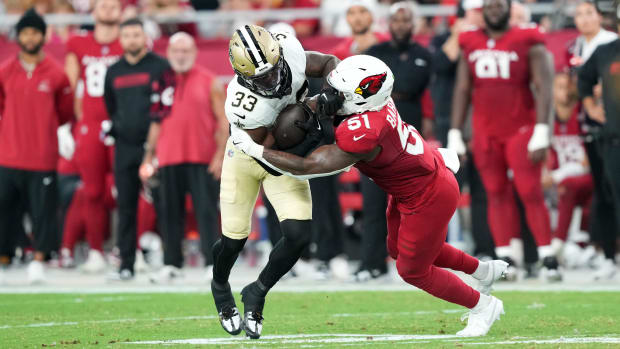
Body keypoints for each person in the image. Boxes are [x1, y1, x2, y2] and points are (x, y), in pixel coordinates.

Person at [230, 55, 509, 337]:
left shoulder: (364, 131)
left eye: (339, 93)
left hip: (427, 195)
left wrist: (255, 150)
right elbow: (332, 92)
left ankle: (483, 306)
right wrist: (309, 105)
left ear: (358, 99)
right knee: (400, 249)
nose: (331, 95)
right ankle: (482, 271)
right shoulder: (376, 100)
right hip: (414, 185)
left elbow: (309, 168)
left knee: (412, 270)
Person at [212, 24, 340, 339]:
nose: (272, 80)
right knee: (234, 240)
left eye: (273, 71)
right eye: (261, 78)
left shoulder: (291, 52)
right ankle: (219, 285)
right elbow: (270, 150)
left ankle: (257, 291)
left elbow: (328, 62)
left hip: (278, 156)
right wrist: (307, 128)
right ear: (243, 77)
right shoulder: (242, 103)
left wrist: (330, 92)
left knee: (298, 236)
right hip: (249, 158)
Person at [447, 0, 561, 280]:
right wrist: (455, 131)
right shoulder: (470, 41)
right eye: (490, 5)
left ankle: (547, 256)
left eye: (500, 4)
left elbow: (545, 86)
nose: (494, 9)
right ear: (483, 11)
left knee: (529, 190)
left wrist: (542, 129)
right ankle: (505, 254)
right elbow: (462, 88)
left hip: (520, 127)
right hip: (485, 129)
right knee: (495, 192)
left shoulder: (527, 38)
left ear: (510, 8)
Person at [352, 1, 433, 282]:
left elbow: (412, 85)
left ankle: (418, 262)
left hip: (409, 135)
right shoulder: (375, 53)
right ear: (389, 24)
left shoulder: (424, 54)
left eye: (406, 20)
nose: (401, 25)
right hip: (378, 134)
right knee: (373, 202)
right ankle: (370, 262)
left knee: (413, 203)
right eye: (396, 21)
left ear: (414, 24)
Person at [140, 32, 229, 283]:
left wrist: (220, 155)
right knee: (169, 213)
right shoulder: (161, 83)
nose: (181, 56)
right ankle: (172, 264)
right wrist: (149, 156)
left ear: (194, 52)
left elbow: (223, 121)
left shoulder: (210, 81)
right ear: (168, 53)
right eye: (176, 51)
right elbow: (156, 123)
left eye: (185, 51)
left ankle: (212, 264)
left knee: (207, 212)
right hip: (168, 158)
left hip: (202, 157)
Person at [0, 8, 74, 284]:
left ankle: (39, 262)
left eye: (35, 32)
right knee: (5, 211)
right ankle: (4, 260)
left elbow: (65, 113)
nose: (30, 37)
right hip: (7, 156)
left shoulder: (56, 74)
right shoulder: (5, 71)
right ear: (18, 36)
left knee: (43, 213)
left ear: (43, 36)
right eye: (25, 32)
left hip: (42, 157)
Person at [103, 18, 171, 280]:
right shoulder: (114, 71)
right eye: (127, 35)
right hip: (125, 147)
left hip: (157, 147)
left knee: (165, 204)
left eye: (136, 34)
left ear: (145, 37)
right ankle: (127, 264)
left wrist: (153, 146)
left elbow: (166, 107)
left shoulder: (160, 66)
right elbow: (110, 106)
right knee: (126, 205)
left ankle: (170, 261)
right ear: (120, 40)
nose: (132, 39)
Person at [63, 0, 123, 273]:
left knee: (128, 189)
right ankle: (96, 251)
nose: (108, 10)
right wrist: (71, 125)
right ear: (94, 11)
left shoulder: (129, 41)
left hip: (122, 124)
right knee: (93, 190)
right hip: (91, 124)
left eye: (113, 5)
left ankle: (127, 249)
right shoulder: (78, 43)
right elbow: (70, 87)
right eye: (103, 5)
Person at [569, 0, 618, 280]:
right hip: (599, 130)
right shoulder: (585, 48)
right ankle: (607, 253)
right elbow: (581, 83)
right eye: (579, 13)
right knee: (605, 190)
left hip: (610, 126)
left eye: (590, 13)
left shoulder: (608, 43)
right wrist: (590, 104)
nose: (584, 19)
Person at [543, 72, 592, 260]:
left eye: (568, 87)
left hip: (583, 176)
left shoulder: (583, 114)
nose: (565, 92)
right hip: (556, 177)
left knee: (569, 184)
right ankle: (527, 247)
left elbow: (587, 163)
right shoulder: (546, 117)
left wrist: (555, 176)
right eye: (560, 87)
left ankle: (560, 243)